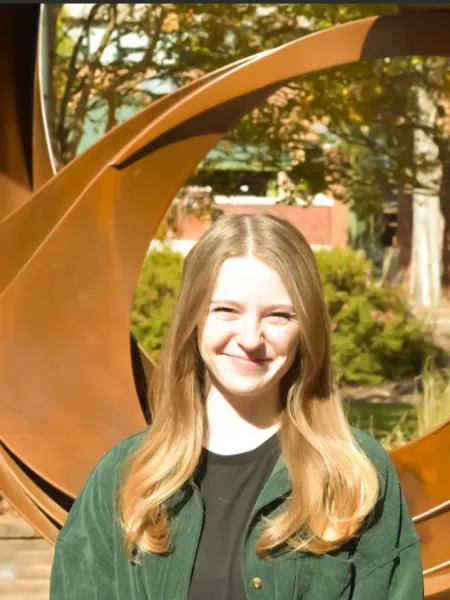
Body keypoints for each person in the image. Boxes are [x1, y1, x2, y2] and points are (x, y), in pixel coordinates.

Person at [50, 213, 423, 599]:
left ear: (305, 329)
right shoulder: (125, 478)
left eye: (279, 315)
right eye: (226, 310)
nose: (250, 338)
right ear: (193, 318)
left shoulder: (354, 477)